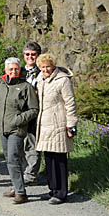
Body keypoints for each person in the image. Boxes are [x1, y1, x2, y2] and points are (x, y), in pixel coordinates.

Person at [0, 57, 39, 204]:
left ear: (20, 70)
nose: (14, 71)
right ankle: (16, 186)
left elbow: (34, 109)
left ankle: (21, 193)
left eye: (16, 69)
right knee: (9, 159)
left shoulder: (26, 87)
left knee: (13, 158)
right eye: (10, 69)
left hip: (17, 129)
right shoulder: (2, 85)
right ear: (5, 70)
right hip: (2, 128)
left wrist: (18, 120)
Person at [35, 54, 78, 204]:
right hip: (44, 124)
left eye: (48, 66)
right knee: (49, 158)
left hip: (59, 123)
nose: (45, 69)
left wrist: (71, 125)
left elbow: (70, 103)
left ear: (53, 66)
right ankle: (52, 189)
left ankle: (61, 193)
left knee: (59, 158)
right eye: (43, 67)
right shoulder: (40, 79)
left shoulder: (63, 80)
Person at [22, 41, 43, 183]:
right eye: (27, 54)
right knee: (19, 145)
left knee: (33, 144)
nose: (30, 57)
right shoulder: (17, 71)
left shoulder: (43, 72)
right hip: (19, 114)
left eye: (33, 54)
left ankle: (30, 175)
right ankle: (22, 172)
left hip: (36, 113)